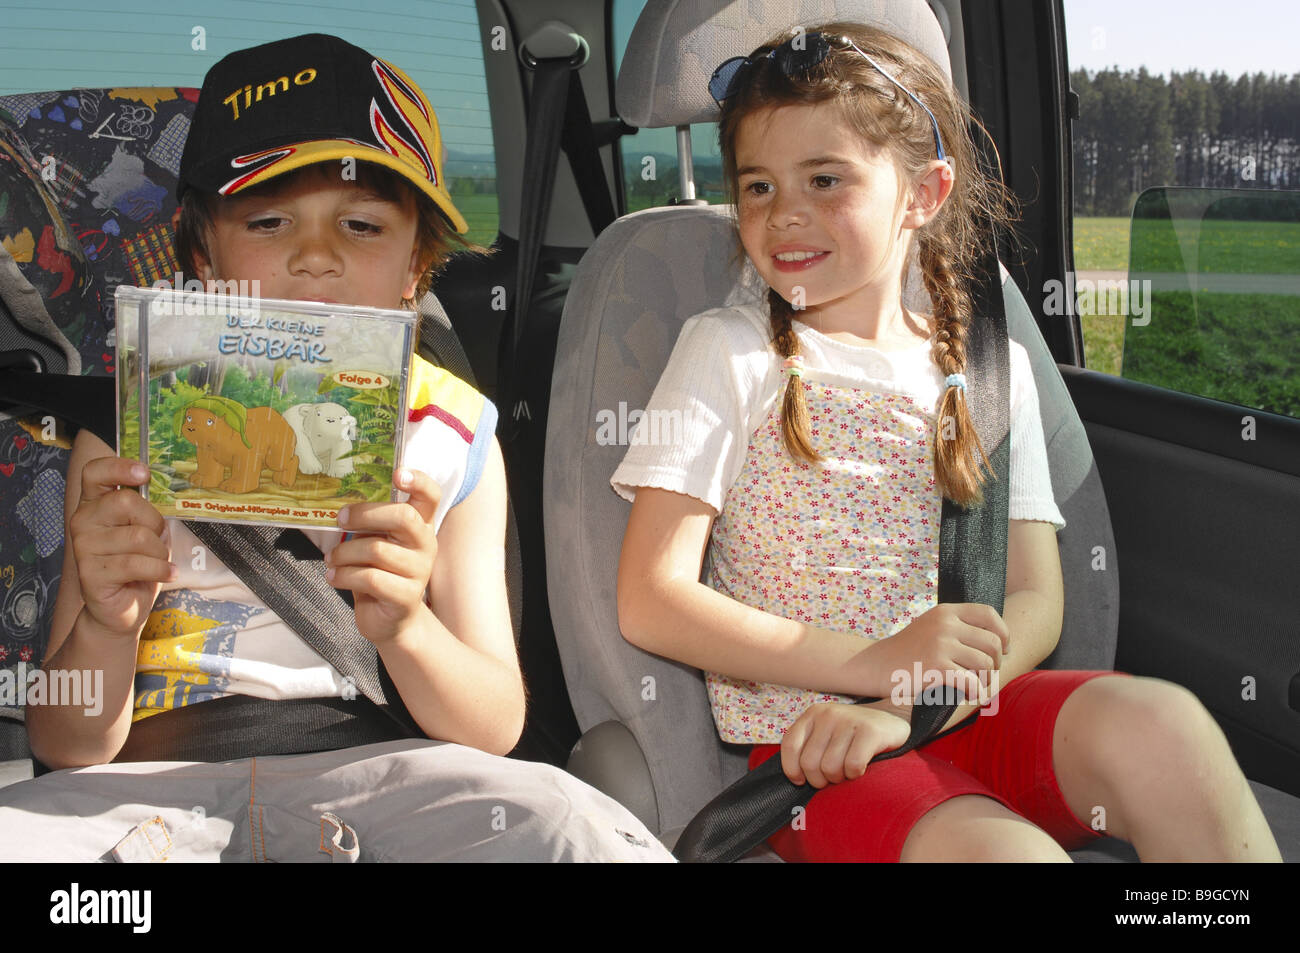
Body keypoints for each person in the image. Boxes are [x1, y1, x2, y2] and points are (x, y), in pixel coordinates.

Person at [613, 23, 1280, 862]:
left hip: (963, 710)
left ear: (924, 195)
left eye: (826, 179)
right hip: (815, 751)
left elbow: (1034, 599)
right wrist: (877, 669)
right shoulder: (730, 350)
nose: (784, 213)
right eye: (756, 186)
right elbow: (649, 595)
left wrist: (912, 700)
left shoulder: (988, 367)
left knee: (1168, 725)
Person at [0, 33, 672, 862]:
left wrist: (407, 626)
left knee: (568, 827)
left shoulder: (455, 433)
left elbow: (494, 725)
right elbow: (68, 743)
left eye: (360, 224)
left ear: (415, 269)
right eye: (270, 219)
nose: (315, 255)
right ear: (204, 256)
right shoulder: (124, 429)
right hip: (147, 786)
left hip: (390, 774)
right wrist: (107, 624)